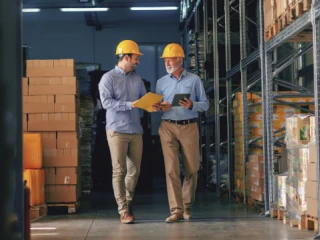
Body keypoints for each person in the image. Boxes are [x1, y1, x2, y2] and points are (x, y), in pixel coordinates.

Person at [153, 43, 209, 223]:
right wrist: (160, 107)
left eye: (170, 59)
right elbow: (156, 106)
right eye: (165, 60)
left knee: (192, 168)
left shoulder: (194, 80)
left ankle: (187, 206)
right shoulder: (161, 82)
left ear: (180, 60)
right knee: (171, 169)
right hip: (167, 127)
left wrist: (192, 105)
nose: (167, 62)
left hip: (189, 126)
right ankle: (176, 210)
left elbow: (206, 104)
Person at [98, 40, 146, 224]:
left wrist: (155, 105)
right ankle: (123, 210)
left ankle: (128, 202)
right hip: (117, 130)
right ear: (126, 57)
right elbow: (106, 103)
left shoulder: (137, 79)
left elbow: (143, 100)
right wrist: (129, 105)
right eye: (136, 58)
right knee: (119, 171)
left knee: (134, 171)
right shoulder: (108, 78)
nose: (137, 62)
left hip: (135, 130)